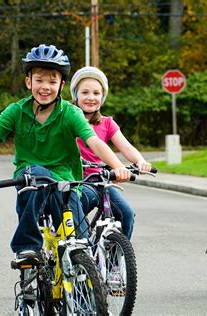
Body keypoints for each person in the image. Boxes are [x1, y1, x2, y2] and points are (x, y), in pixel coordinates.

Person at [0, 44, 131, 259]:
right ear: (28, 82)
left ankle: (84, 283)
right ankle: (27, 246)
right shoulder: (16, 111)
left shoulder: (71, 112)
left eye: (52, 81)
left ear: (62, 85)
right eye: (39, 80)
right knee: (38, 174)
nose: (45, 87)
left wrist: (118, 167)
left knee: (81, 245)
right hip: (32, 179)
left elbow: (95, 142)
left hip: (66, 182)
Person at [69, 66, 151, 239]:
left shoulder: (107, 123)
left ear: (103, 97)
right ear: (75, 95)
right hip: (76, 181)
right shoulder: (68, 120)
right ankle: (79, 253)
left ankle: (116, 258)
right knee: (75, 213)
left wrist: (140, 161)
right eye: (85, 93)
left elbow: (126, 147)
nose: (91, 98)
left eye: (96, 93)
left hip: (101, 179)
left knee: (126, 214)